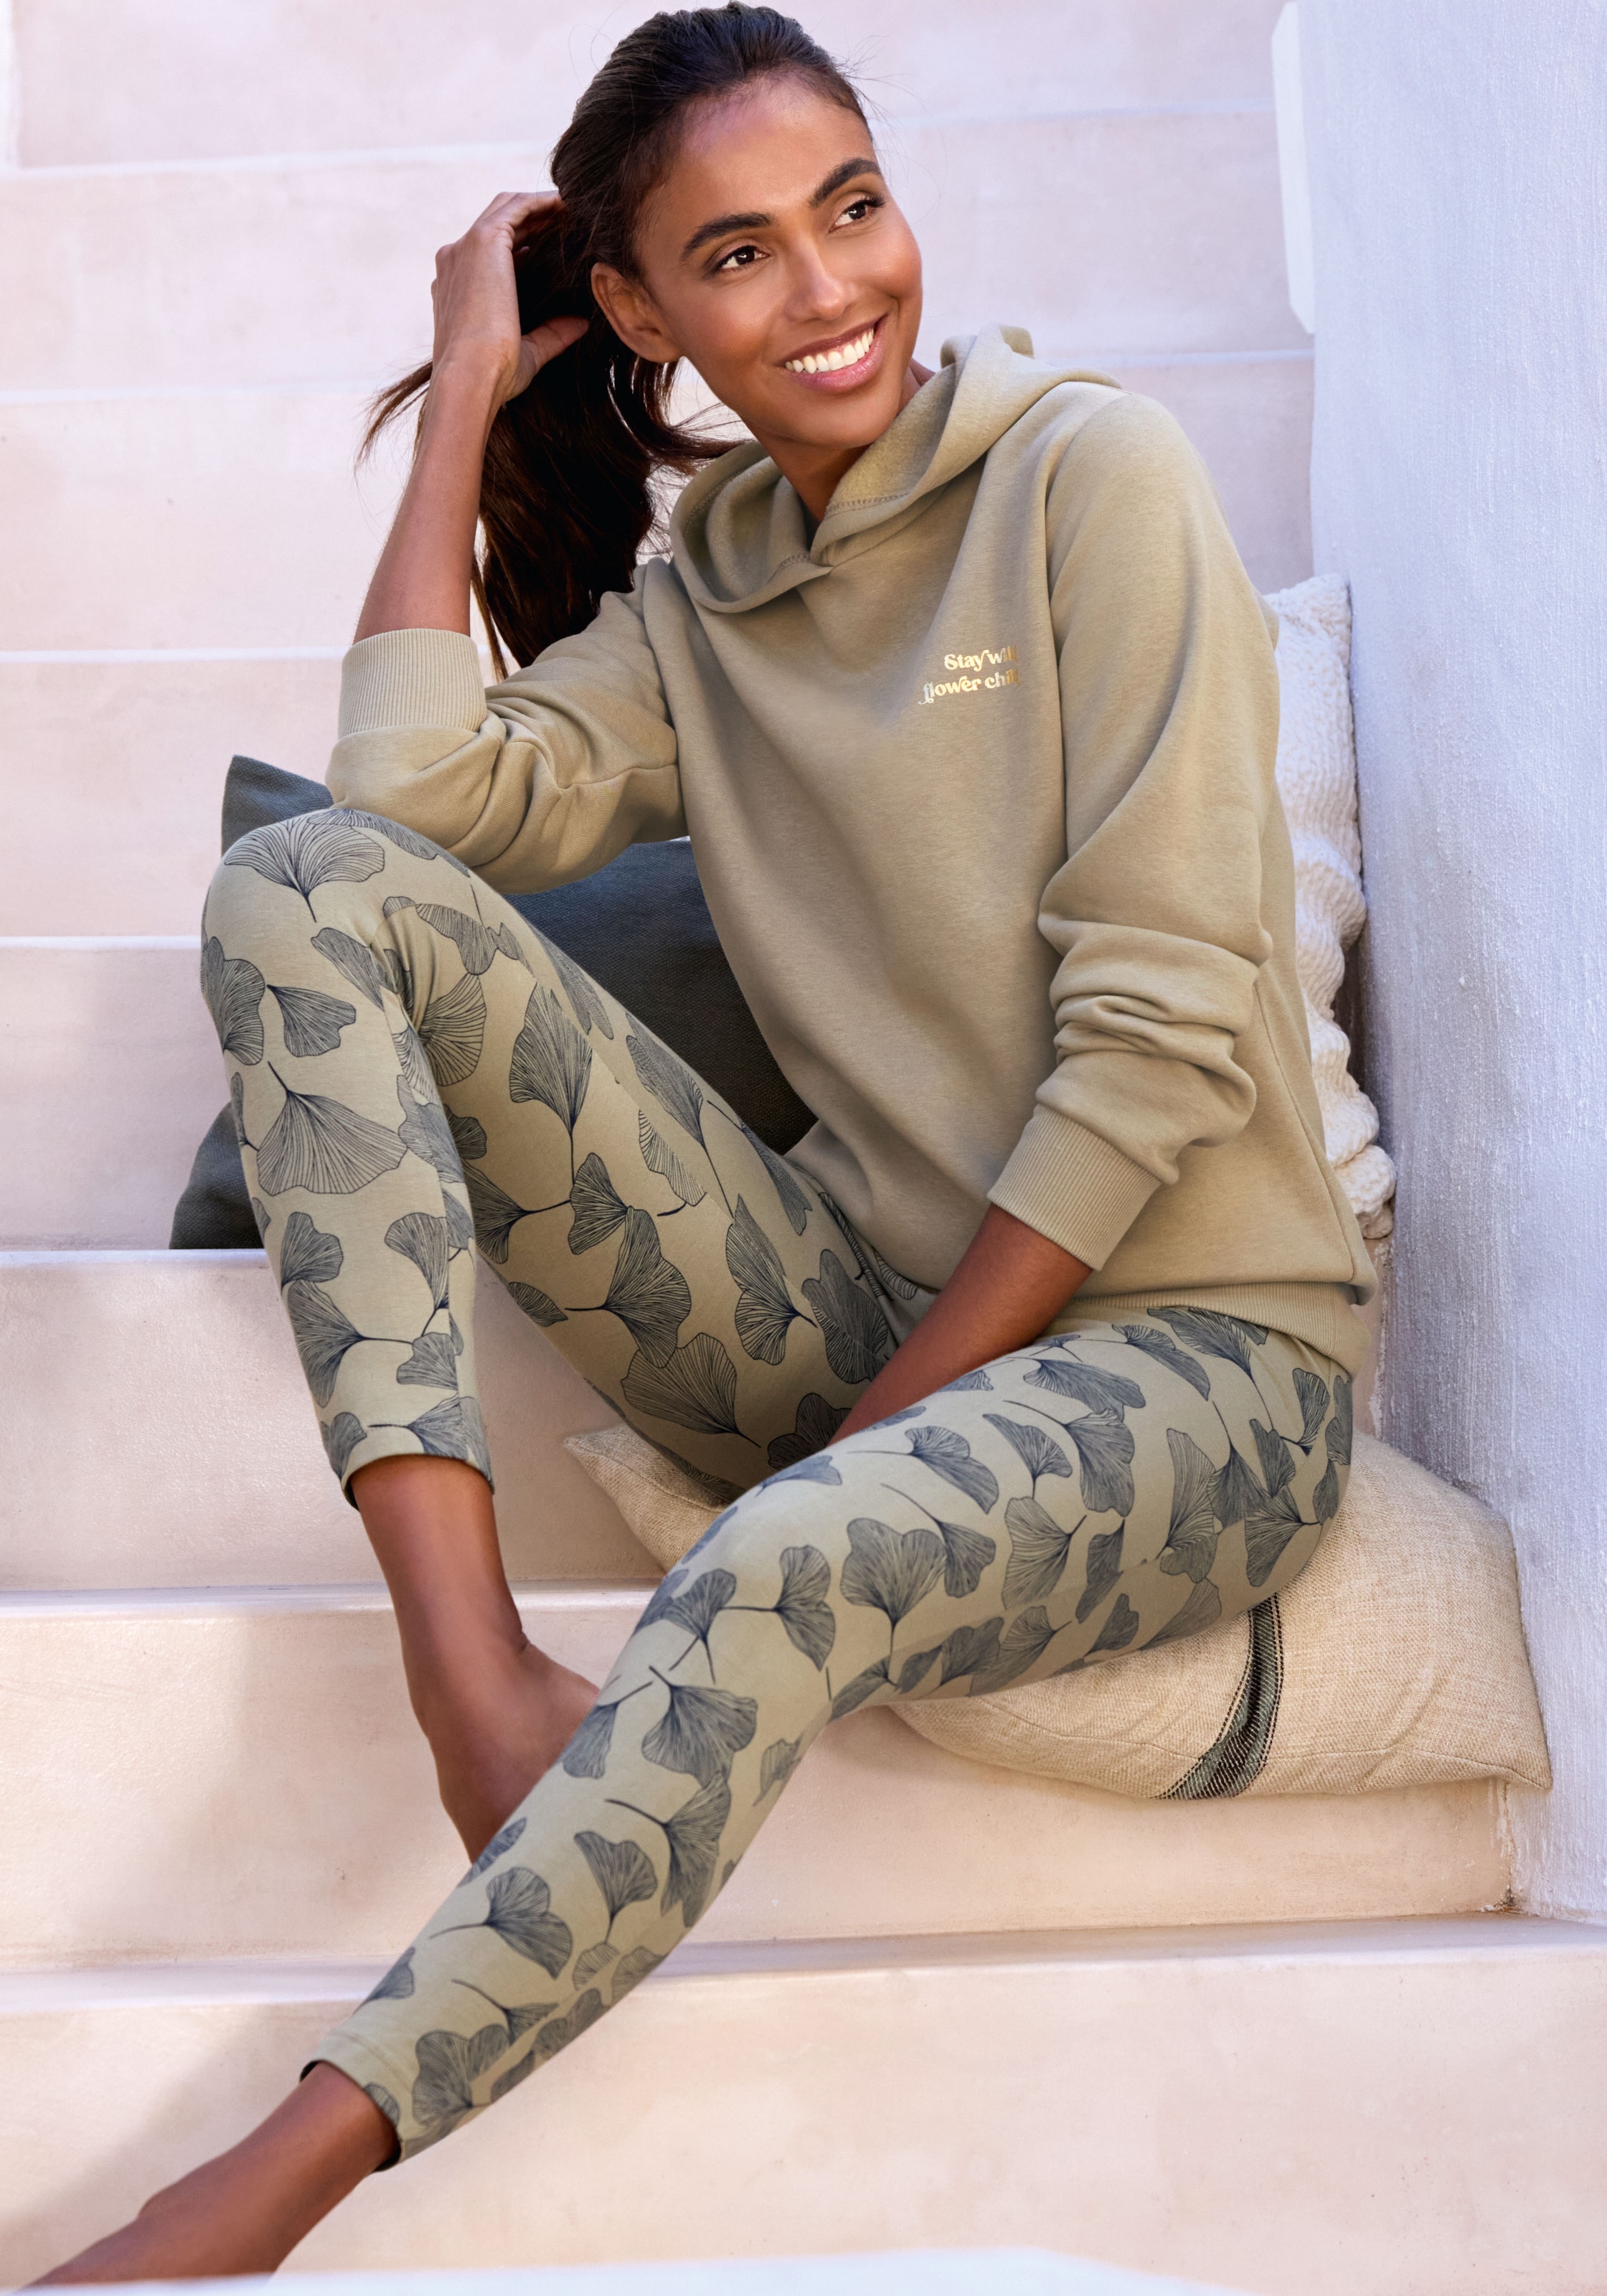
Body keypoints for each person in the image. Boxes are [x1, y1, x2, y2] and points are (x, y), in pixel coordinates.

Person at [37, 4, 1373, 2279]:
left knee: (778, 1564)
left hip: (1202, 1369)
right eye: (739, 254)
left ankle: (248, 2200)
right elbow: (407, 806)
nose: (832, 288)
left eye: (853, 206)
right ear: (642, 312)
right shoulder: (711, 602)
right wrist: (466, 394)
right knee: (299, 889)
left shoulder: (1093, 476)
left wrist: (869, 1445)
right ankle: (468, 1675)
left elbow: (1156, 1041)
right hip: (865, 1313)